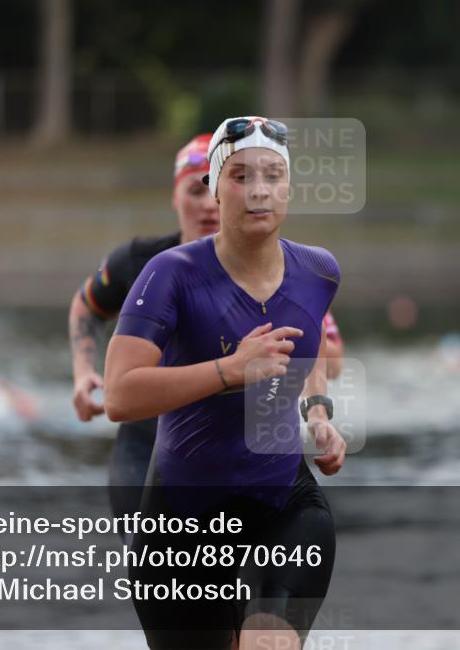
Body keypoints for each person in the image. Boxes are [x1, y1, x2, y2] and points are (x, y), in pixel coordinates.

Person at [103, 116, 346, 650]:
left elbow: (311, 356)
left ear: (289, 187)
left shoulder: (319, 271)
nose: (259, 190)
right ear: (215, 187)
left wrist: (321, 417)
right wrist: (230, 370)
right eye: (239, 175)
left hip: (283, 505)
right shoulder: (169, 273)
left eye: (273, 175)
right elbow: (119, 394)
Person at [68, 134, 345, 532]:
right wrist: (82, 372)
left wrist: (315, 407)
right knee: (157, 568)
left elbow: (321, 349)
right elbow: (86, 306)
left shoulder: (289, 270)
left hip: (239, 449)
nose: (204, 203)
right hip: (147, 438)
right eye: (193, 188)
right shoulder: (142, 264)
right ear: (178, 196)